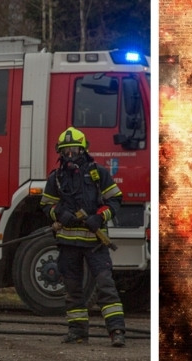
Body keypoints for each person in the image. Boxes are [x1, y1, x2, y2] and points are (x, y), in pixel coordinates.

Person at [41, 127, 127, 347]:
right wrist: (60, 214)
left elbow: (115, 200)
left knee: (106, 285)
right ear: (60, 152)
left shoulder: (98, 173)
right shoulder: (56, 178)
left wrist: (99, 218)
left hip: (95, 243)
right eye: (66, 150)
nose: (70, 154)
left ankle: (117, 331)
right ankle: (78, 332)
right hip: (68, 243)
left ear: (83, 149)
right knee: (72, 290)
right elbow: (46, 205)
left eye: (74, 149)